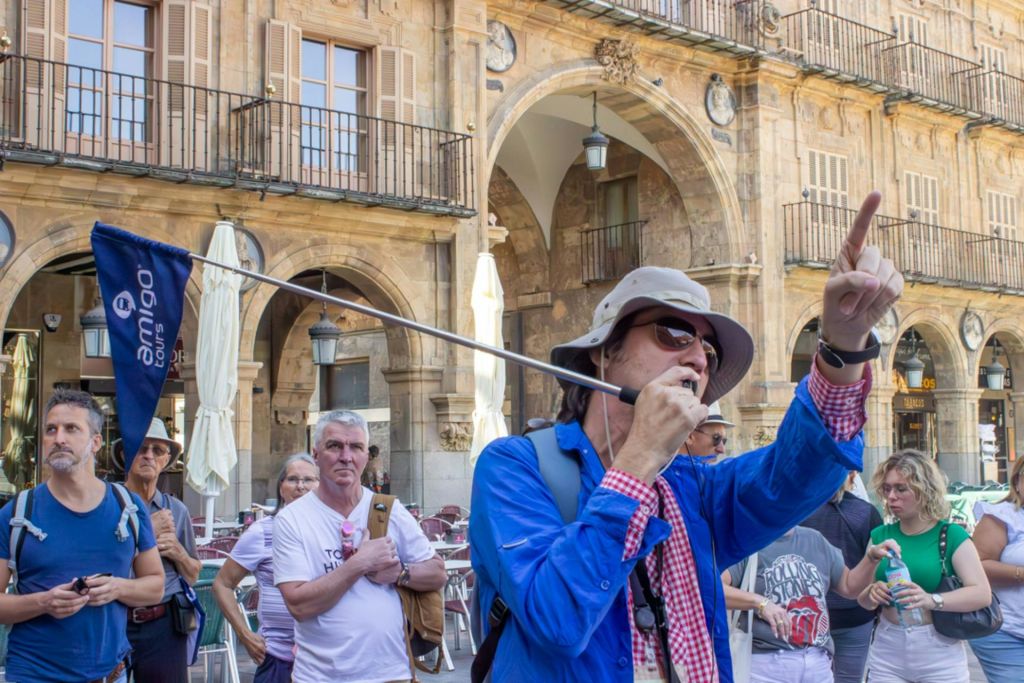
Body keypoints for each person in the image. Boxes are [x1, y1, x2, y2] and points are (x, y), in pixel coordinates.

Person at [470, 192, 904, 682]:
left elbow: (799, 472)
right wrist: (639, 459)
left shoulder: (694, 488)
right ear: (604, 352)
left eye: (709, 351)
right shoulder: (514, 466)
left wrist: (843, 345)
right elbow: (558, 620)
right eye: (675, 333)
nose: (698, 358)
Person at [0, 389, 164, 682]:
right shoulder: (17, 513)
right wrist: (44, 602)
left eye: (71, 428)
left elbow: (155, 586)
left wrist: (117, 588)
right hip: (33, 674)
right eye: (51, 429)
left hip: (110, 674)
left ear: (96, 442)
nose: (59, 438)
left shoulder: (128, 507)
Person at [272, 410, 447, 682]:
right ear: (316, 454)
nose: (346, 456)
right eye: (334, 446)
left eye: (355, 447)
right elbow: (299, 606)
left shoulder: (388, 509)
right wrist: (360, 563)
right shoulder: (292, 519)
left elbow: (438, 573)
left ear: (366, 455)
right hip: (320, 677)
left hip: (392, 674)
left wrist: (400, 573)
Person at [859, 449, 992, 683]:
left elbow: (982, 594)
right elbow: (862, 599)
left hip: (938, 647)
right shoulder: (880, 535)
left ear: (925, 490)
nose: (891, 497)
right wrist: (873, 592)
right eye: (887, 489)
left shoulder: (951, 535)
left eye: (901, 489)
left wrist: (932, 600)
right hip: (888, 646)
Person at [723, 525, 896, 683]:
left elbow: (849, 587)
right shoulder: (749, 542)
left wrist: (871, 558)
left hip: (817, 662)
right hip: (766, 663)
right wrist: (760, 603)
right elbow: (715, 589)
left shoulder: (815, 539)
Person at [213, 453, 319, 683]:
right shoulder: (262, 532)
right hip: (277, 658)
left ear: (320, 486)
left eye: (309, 480)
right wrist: (245, 634)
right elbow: (222, 584)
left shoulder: (331, 532)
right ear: (281, 488)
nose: (300, 486)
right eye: (292, 479)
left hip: (323, 658)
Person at [122, 417, 201, 683]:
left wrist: (179, 552)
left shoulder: (177, 510)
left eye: (157, 450)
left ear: (166, 460)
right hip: (116, 618)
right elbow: (98, 565)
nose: (148, 456)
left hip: (164, 623)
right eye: (141, 448)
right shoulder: (108, 505)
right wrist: (149, 532)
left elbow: (193, 575)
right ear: (125, 454)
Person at [798, 471, 884, 683]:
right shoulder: (866, 512)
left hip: (806, 614)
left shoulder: (799, 509)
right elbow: (876, 565)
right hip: (853, 615)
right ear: (851, 476)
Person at [968, 454, 1024, 683]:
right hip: (1007, 631)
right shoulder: (1002, 516)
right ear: (1017, 482)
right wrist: (1021, 574)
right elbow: (974, 566)